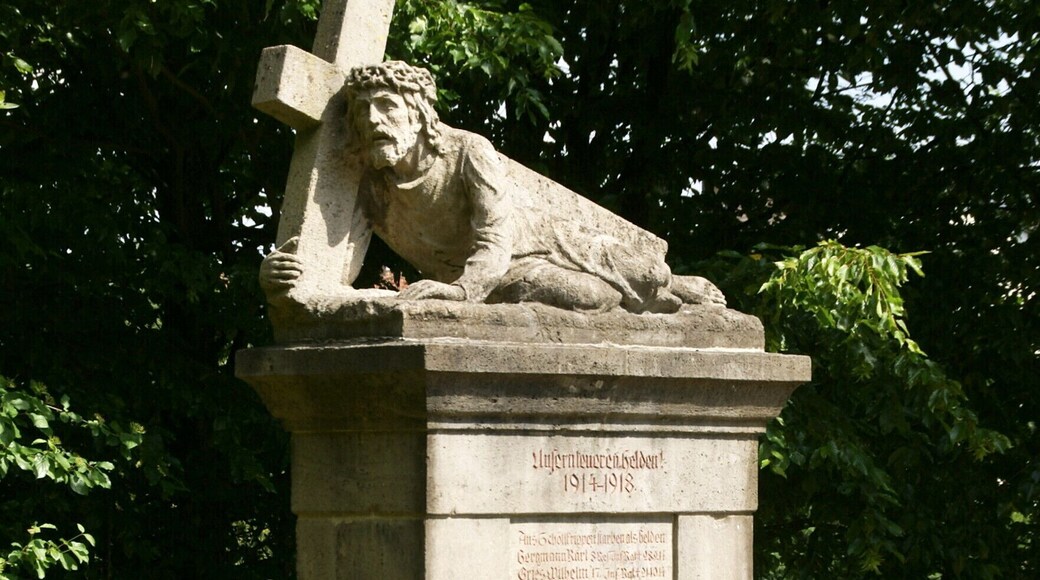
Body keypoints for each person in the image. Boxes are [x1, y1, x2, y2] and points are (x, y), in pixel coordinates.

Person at [261, 61, 724, 314]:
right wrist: (282, 277)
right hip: (504, 278)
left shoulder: (467, 152)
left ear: (420, 116)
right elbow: (337, 271)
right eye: (363, 113)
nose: (374, 120)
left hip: (545, 247)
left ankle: (679, 289)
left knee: (645, 274)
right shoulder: (373, 190)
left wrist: (463, 293)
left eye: (386, 106)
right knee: (589, 298)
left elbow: (495, 236)